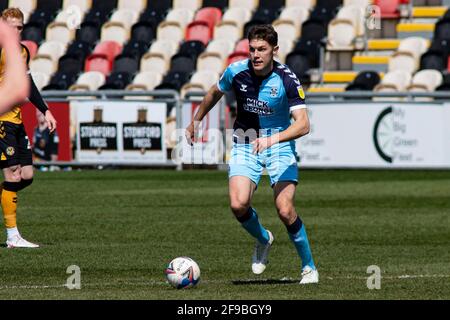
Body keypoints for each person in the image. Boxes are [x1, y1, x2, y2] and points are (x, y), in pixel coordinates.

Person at [185, 25, 319, 284]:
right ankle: (263, 238)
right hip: (246, 142)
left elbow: (303, 124)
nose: (256, 55)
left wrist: (272, 139)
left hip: (279, 144)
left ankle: (309, 267)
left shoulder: (287, 79)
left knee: (285, 209)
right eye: (252, 49)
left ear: (274, 51)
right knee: (238, 204)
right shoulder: (236, 71)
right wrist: (196, 120)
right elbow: (215, 92)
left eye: (262, 49)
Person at [0, 8, 57, 248]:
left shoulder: (22, 52)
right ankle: (13, 236)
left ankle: (5, 197)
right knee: (12, 172)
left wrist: (45, 109)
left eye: (20, 27)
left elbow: (28, 83)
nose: (16, 31)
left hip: (16, 120)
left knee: (26, 176)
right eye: (11, 26)